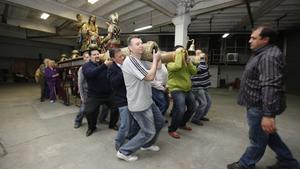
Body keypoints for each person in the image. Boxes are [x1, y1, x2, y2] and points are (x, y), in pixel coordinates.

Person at [227, 25, 300, 169]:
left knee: (257, 140)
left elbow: (270, 86)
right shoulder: (261, 53)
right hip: (257, 104)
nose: (249, 41)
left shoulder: (268, 57)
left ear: (265, 39)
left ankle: (245, 164)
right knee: (269, 135)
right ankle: (288, 162)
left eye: (254, 38)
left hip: (260, 106)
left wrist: (268, 115)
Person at [117, 35, 164, 162]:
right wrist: (155, 60)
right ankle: (124, 151)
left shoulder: (139, 60)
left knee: (159, 122)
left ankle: (146, 145)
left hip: (148, 101)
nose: (141, 45)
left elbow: (155, 72)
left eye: (141, 43)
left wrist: (156, 59)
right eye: (137, 44)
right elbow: (149, 77)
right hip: (139, 104)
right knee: (148, 131)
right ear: (130, 48)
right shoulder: (131, 61)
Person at [82, 49, 119, 137]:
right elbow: (90, 74)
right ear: (90, 57)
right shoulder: (87, 66)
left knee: (116, 108)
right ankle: (92, 127)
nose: (97, 56)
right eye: (94, 55)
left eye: (98, 54)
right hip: (94, 95)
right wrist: (104, 65)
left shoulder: (106, 63)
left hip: (108, 93)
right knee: (90, 112)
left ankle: (112, 124)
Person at [166, 45, 197, 139]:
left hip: (187, 89)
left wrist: (189, 63)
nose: (182, 54)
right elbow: (177, 66)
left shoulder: (186, 62)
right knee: (180, 109)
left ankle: (182, 124)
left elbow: (194, 71)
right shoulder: (170, 63)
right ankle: (172, 129)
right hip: (176, 89)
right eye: (180, 53)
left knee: (192, 108)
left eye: (183, 52)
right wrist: (179, 54)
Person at [107, 48, 134, 151]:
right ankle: (118, 142)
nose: (123, 57)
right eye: (119, 56)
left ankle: (130, 137)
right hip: (121, 100)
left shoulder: (126, 64)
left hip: (131, 97)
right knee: (125, 124)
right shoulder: (111, 68)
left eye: (123, 55)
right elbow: (113, 83)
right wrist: (124, 71)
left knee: (132, 121)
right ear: (113, 58)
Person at [190, 50, 211, 126]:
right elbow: (201, 69)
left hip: (203, 86)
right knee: (203, 103)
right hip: (197, 86)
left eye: (201, 53)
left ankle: (201, 116)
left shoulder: (203, 62)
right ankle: (195, 118)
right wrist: (201, 58)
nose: (200, 54)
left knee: (208, 103)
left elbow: (205, 70)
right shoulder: (193, 60)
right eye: (198, 53)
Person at [74, 52, 90, 128]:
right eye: (86, 57)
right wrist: (81, 96)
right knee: (83, 109)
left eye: (88, 57)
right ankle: (78, 121)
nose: (87, 58)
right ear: (83, 58)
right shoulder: (82, 69)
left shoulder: (93, 66)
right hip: (85, 92)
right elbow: (80, 83)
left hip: (92, 91)